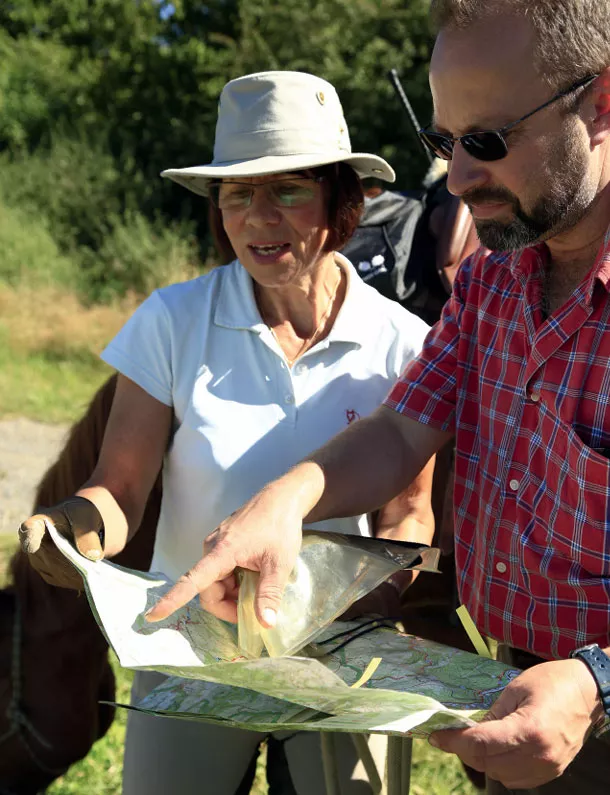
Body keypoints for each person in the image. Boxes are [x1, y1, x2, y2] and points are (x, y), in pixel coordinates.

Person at [134, 3, 610, 794]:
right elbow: (399, 430)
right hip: (520, 701)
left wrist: (595, 679)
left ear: (601, 107)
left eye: (486, 142)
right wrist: (286, 500)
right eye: (442, 143)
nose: (455, 179)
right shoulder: (495, 277)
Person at [18, 70, 435, 794]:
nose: (257, 216)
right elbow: (117, 489)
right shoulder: (172, 321)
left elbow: (410, 517)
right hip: (187, 647)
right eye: (238, 194)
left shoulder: (402, 341)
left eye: (288, 190)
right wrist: (70, 529)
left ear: (344, 201)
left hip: (343, 662)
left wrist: (372, 600)